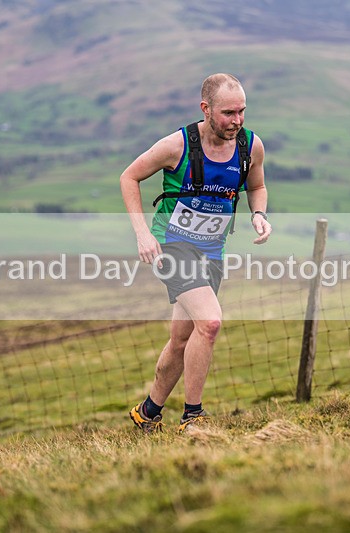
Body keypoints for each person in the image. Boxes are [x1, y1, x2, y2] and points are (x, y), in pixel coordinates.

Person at [120, 73, 271, 433]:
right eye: (228, 113)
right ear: (205, 110)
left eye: (242, 112)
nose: (236, 121)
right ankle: (193, 417)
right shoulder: (177, 145)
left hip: (212, 253)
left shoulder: (251, 146)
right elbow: (129, 177)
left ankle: (147, 413)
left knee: (182, 338)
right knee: (211, 322)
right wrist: (142, 234)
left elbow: (258, 185)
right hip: (171, 245)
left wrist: (260, 215)